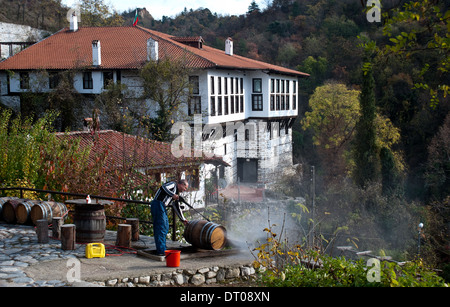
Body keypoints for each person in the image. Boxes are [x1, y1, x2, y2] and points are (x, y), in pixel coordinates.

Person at [151, 179, 189, 256]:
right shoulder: (173, 184)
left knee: (165, 227)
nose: (184, 190)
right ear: (181, 184)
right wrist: (172, 195)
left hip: (162, 206)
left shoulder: (176, 193)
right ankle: (161, 250)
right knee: (161, 227)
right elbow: (163, 187)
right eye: (185, 188)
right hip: (158, 204)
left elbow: (177, 206)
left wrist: (183, 219)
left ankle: (162, 247)